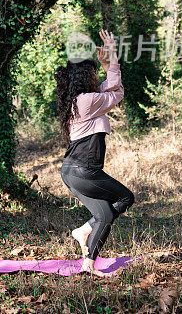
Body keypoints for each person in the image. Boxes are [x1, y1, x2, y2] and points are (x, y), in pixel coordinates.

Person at [54, 29, 134, 277]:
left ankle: (87, 257)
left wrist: (109, 62)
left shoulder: (79, 101)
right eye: (93, 72)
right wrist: (112, 61)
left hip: (72, 171)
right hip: (83, 170)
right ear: (83, 77)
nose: (96, 74)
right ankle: (87, 248)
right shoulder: (87, 101)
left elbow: (113, 90)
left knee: (105, 214)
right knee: (125, 199)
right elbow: (116, 93)